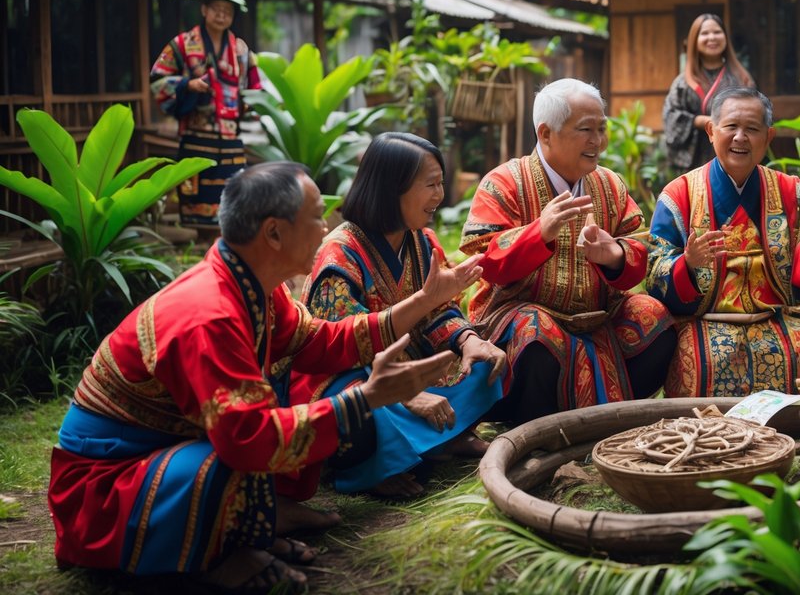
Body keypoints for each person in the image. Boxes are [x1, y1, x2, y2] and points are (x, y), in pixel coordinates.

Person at [47, 162, 464, 591]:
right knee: (233, 454)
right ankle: (219, 557)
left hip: (166, 443)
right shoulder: (209, 315)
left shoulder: (251, 284)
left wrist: (421, 302)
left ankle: (255, 523)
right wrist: (368, 397)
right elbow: (246, 439)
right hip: (104, 485)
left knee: (281, 394)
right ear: (274, 233)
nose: (326, 228)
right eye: (318, 215)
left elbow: (317, 341)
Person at [292, 133, 508, 499]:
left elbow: (439, 311)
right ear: (393, 188)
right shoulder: (339, 253)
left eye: (441, 183)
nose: (439, 195)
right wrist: (407, 394)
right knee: (361, 414)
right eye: (431, 184)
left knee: (485, 364)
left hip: (411, 366)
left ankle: (437, 442)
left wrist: (469, 341)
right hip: (358, 376)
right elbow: (341, 346)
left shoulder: (420, 242)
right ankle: (371, 469)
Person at [460, 78, 674, 422]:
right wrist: (539, 233)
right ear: (546, 134)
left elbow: (639, 246)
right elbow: (483, 261)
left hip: (600, 316)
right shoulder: (502, 183)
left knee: (654, 317)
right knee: (535, 331)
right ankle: (535, 423)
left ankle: (617, 413)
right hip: (519, 316)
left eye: (601, 129)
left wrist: (615, 255)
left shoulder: (610, 183)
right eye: (585, 129)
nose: (597, 141)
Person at [647, 88, 800, 396]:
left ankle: (796, 434)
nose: (740, 137)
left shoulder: (793, 193)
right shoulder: (679, 194)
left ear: (769, 136)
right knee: (703, 356)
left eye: (752, 129)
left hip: (772, 318)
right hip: (706, 323)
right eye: (731, 127)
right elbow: (655, 268)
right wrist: (687, 264)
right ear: (711, 131)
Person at [150, 0, 262, 229]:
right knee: (196, 187)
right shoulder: (182, 43)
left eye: (227, 11)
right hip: (196, 131)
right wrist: (188, 84)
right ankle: (196, 237)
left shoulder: (241, 49)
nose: (221, 15)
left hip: (230, 134)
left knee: (232, 188)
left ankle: (225, 236)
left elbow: (256, 88)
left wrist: (247, 104)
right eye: (216, 10)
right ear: (204, 10)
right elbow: (157, 77)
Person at [662, 13, 755, 172]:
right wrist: (701, 121)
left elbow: (754, 118)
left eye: (717, 32)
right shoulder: (682, 83)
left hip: (733, 159)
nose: (712, 37)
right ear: (694, 41)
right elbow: (671, 119)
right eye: (705, 33)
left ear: (725, 37)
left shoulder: (741, 79)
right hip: (695, 162)